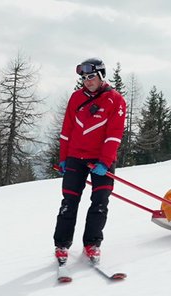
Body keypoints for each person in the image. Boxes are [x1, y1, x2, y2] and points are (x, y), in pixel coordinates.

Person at [53, 58, 127, 264]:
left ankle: (92, 243)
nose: (87, 81)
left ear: (101, 76)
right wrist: (63, 158)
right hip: (75, 158)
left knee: (100, 202)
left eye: (91, 76)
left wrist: (105, 162)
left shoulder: (115, 100)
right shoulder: (76, 98)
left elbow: (114, 134)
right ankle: (61, 244)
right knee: (69, 202)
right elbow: (67, 130)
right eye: (84, 78)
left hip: (101, 160)